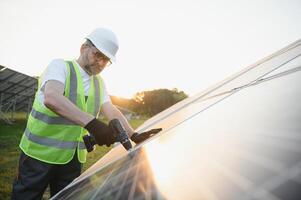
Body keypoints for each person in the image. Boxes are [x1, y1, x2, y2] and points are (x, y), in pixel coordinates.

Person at [11, 27, 161, 199]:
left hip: (73, 158)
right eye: (98, 55)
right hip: (39, 155)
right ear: (83, 48)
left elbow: (111, 109)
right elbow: (52, 98)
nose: (101, 63)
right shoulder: (60, 66)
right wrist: (93, 124)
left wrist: (133, 135)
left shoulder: (99, 83)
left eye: (106, 60)